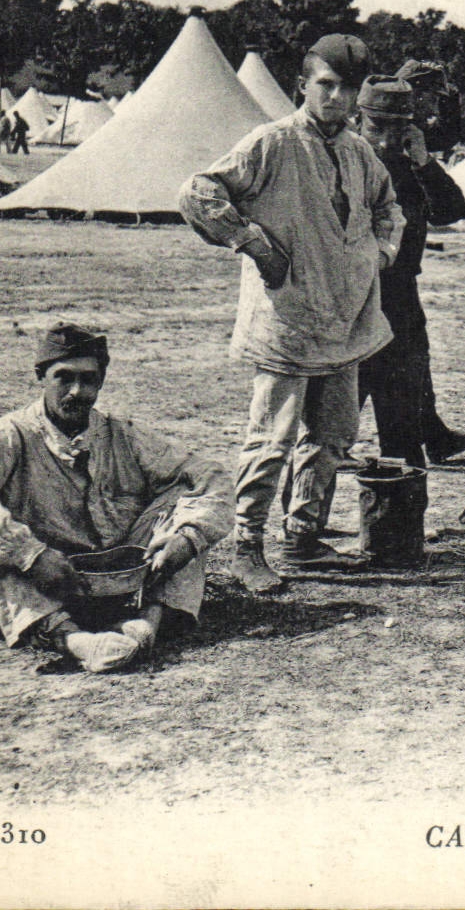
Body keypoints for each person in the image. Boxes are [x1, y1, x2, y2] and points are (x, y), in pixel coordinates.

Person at [180, 34, 403, 591]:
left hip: (346, 317)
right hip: (286, 318)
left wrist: (378, 253)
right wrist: (252, 242)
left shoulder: (359, 152)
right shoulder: (272, 142)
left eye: (347, 88)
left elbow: (388, 208)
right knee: (271, 438)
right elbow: (199, 192)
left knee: (333, 435)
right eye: (325, 85)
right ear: (302, 85)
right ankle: (248, 548)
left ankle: (303, 539)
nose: (336, 97)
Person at [0, 324, 232, 673]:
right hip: (38, 589)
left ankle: (146, 624)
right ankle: (71, 641)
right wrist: (31, 555)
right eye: (64, 377)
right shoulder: (5, 437)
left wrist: (186, 539)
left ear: (101, 382)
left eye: (89, 379)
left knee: (187, 505)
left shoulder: (123, 434)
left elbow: (210, 477)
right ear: (41, 376)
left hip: (116, 587)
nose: (77, 391)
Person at [355, 74, 465, 468]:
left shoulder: (406, 167)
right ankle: (302, 520)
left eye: (398, 129)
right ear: (358, 121)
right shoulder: (343, 162)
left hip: (401, 295)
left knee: (404, 411)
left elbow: (452, 210)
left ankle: (398, 515)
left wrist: (423, 161)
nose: (387, 140)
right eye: (377, 128)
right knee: (332, 422)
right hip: (352, 297)